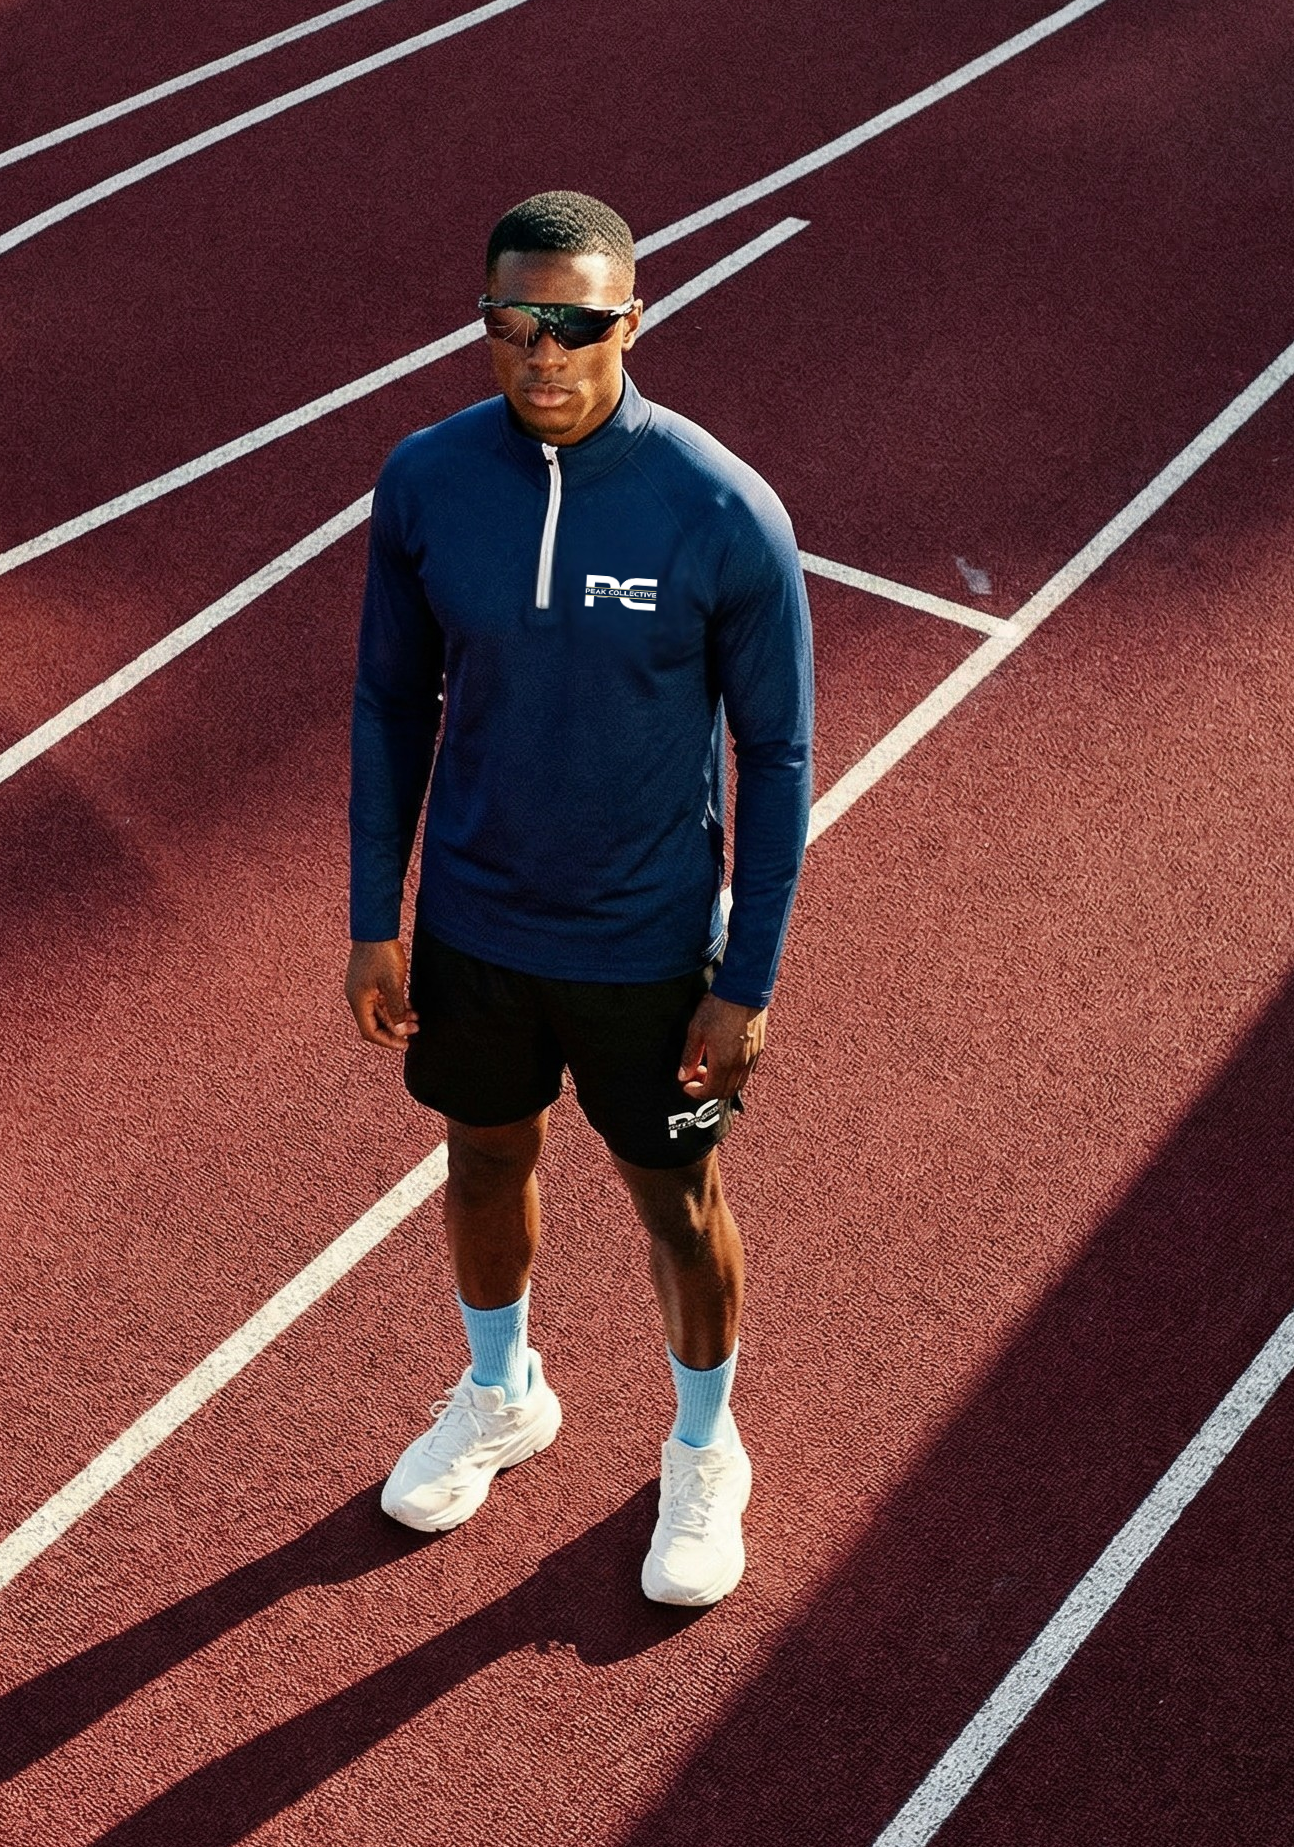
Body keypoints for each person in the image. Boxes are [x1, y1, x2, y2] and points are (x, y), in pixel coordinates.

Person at [345, 190, 813, 1605]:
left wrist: (751, 981)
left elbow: (779, 755)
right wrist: (379, 911)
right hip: (480, 931)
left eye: (575, 325)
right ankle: (503, 1395)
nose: (540, 353)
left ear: (634, 319)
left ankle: (701, 1444)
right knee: (484, 1160)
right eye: (509, 323)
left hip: (648, 943)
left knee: (676, 1202)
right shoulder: (427, 482)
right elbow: (387, 704)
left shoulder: (723, 509)